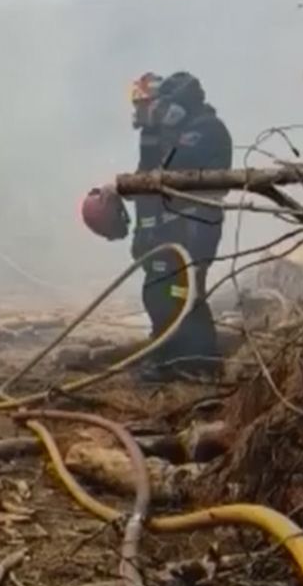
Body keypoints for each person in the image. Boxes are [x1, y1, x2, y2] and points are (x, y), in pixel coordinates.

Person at [83, 71, 233, 380]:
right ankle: (168, 353)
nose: (144, 112)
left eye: (148, 105)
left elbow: (169, 173)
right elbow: (147, 178)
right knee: (157, 292)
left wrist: (121, 185)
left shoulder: (205, 129)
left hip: (195, 227)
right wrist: (141, 233)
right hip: (167, 230)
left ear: (172, 104)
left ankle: (197, 363)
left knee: (183, 292)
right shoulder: (159, 134)